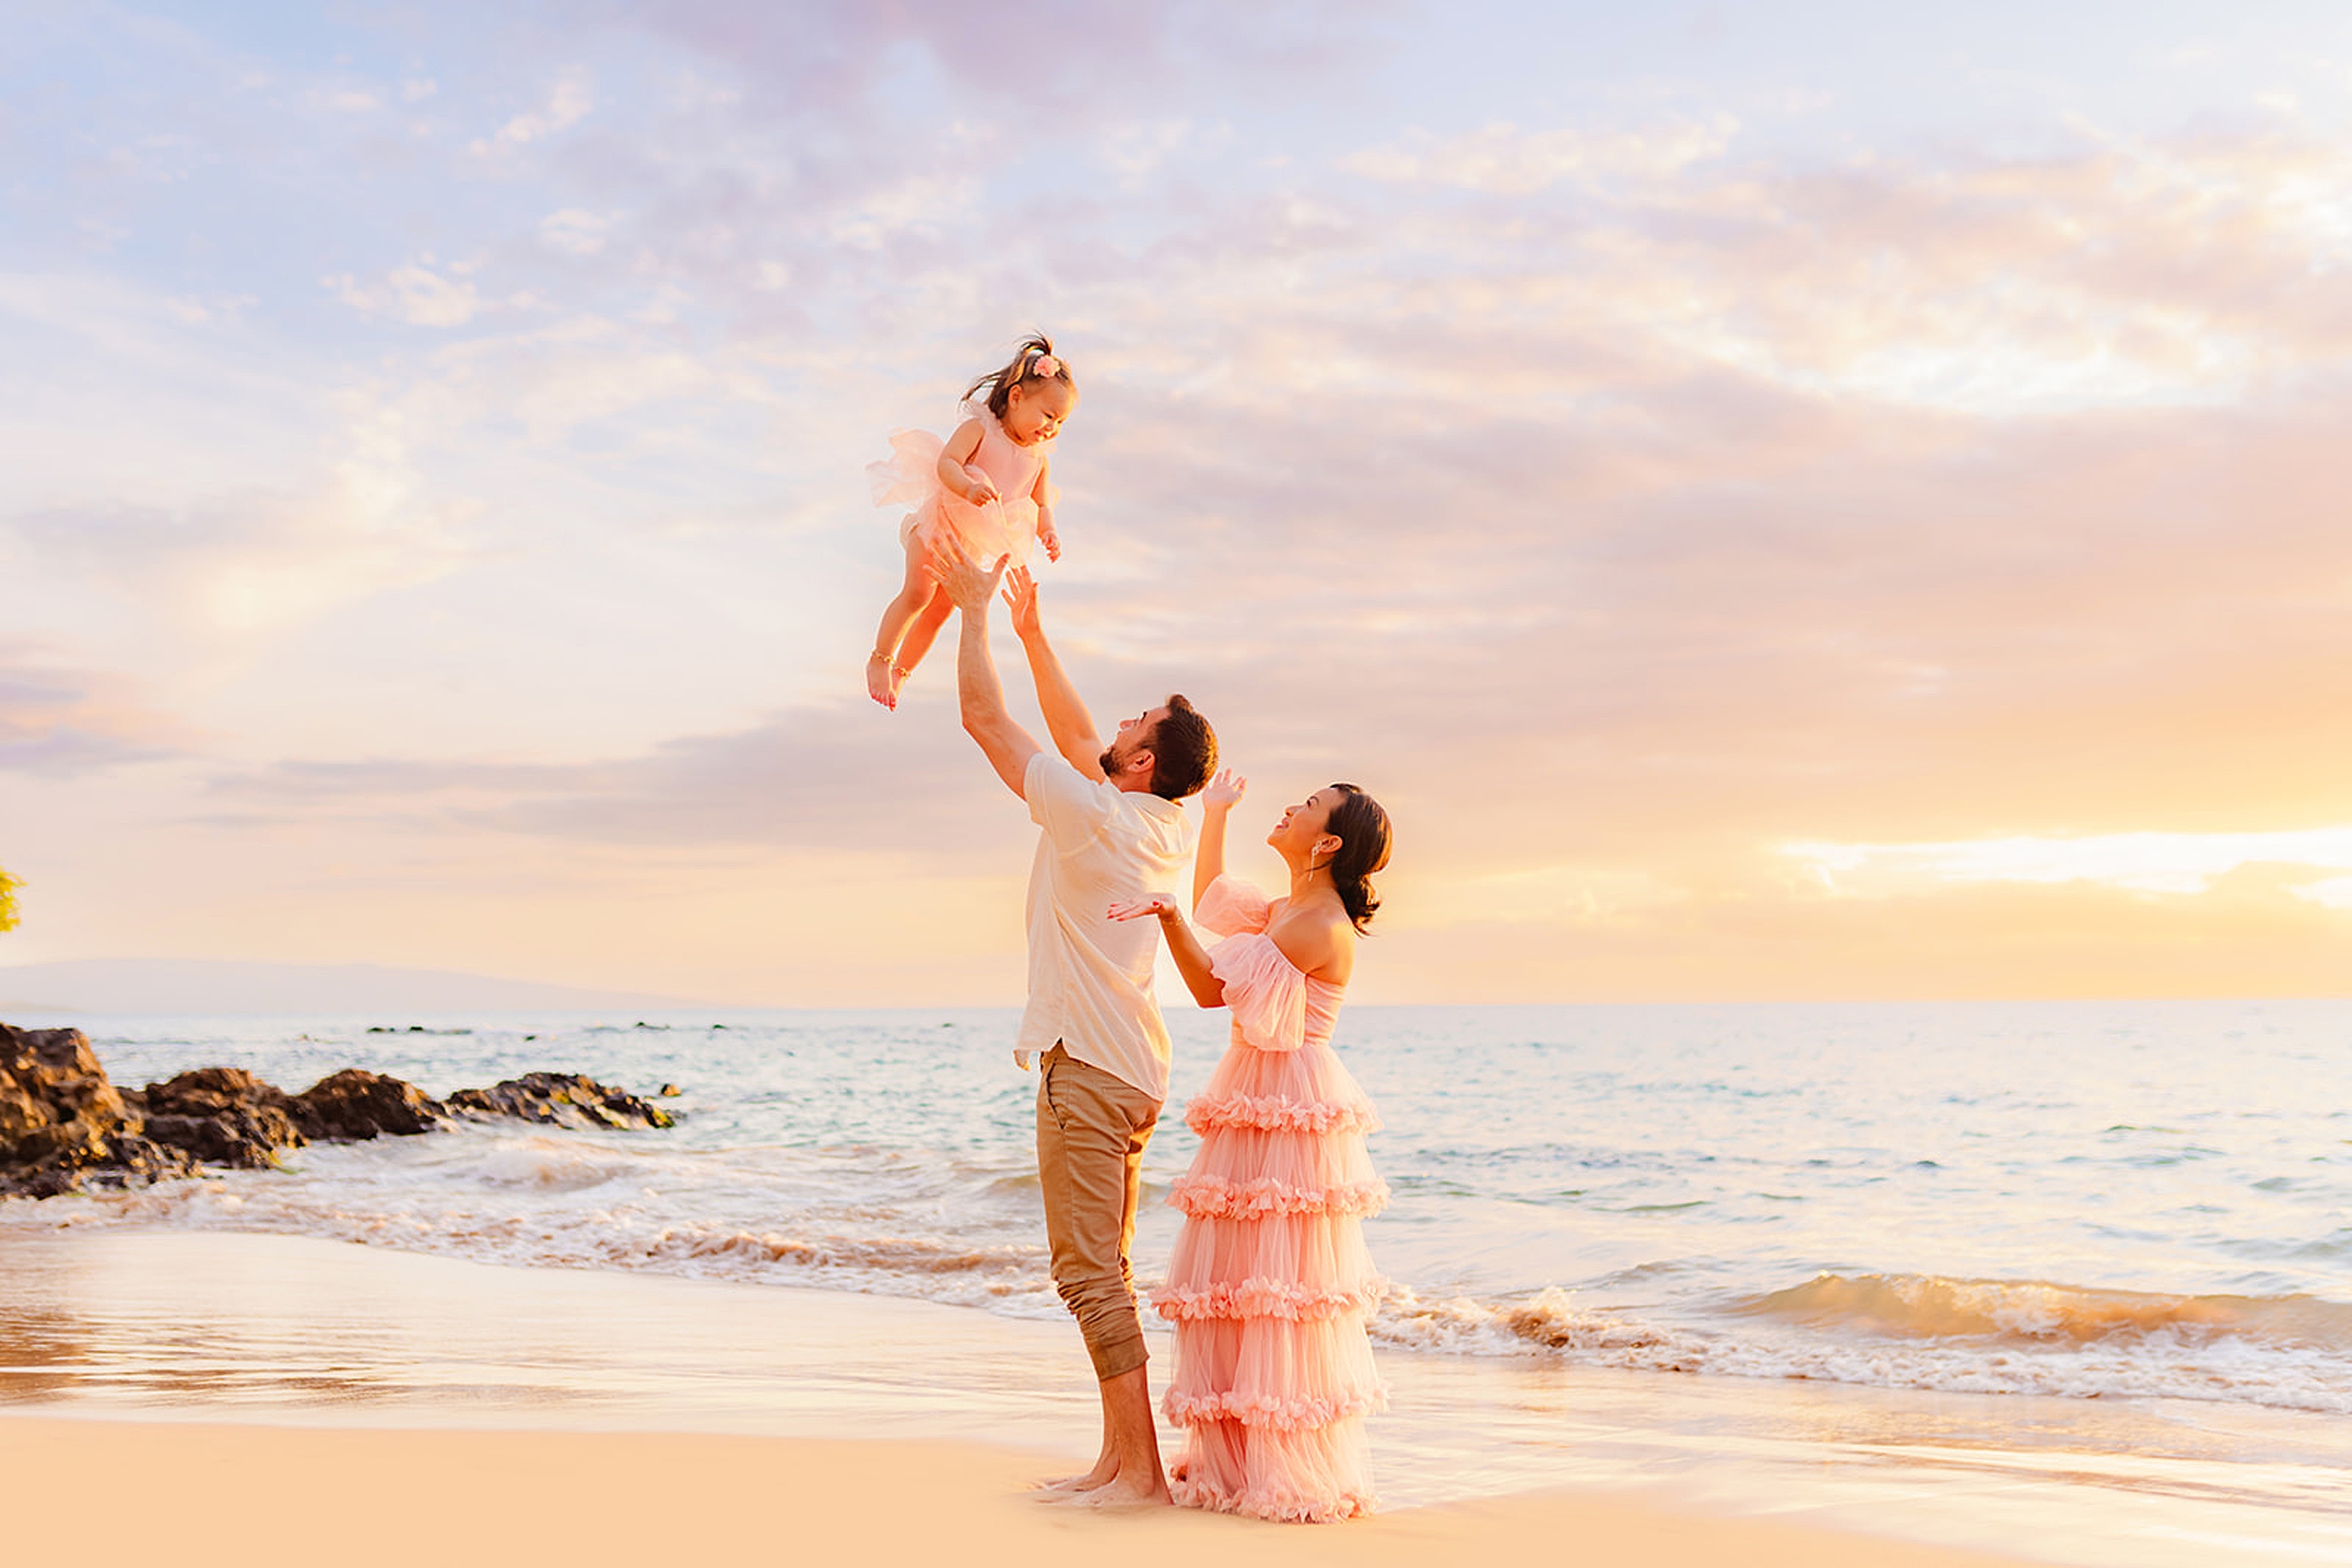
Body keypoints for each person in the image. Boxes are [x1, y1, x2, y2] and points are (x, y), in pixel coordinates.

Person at [928, 531, 1219, 1508]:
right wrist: (1035, 632)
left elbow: (984, 718)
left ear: (1140, 761)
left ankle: (1136, 1474)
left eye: (1135, 723)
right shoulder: (1154, 816)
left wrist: (972, 605)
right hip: (1130, 1065)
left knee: (1087, 1271)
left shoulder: (1098, 814)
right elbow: (1080, 735)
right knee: (1105, 1265)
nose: (1118, 725)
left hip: (1088, 1066)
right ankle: (1115, 1458)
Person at [1108, 770, 1393, 1522]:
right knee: (1241, 1281)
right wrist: (1216, 815)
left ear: (1326, 842)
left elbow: (1209, 986)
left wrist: (1167, 917)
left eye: (1308, 808)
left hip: (1288, 1105)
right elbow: (1216, 904)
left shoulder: (1314, 923)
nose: (1291, 807)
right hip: (1259, 1093)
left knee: (1275, 1290)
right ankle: (1235, 1462)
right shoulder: (1288, 908)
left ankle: (1273, 1466)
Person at [866, 335, 1075, 710]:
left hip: (970, 547)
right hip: (938, 525)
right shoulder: (981, 429)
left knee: (940, 610)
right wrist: (965, 487)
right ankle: (880, 658)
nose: (1052, 427)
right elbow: (946, 462)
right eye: (1047, 415)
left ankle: (902, 672)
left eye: (1060, 421)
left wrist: (1050, 533)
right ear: (1016, 397)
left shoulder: (1038, 461)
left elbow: (1042, 506)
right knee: (918, 592)